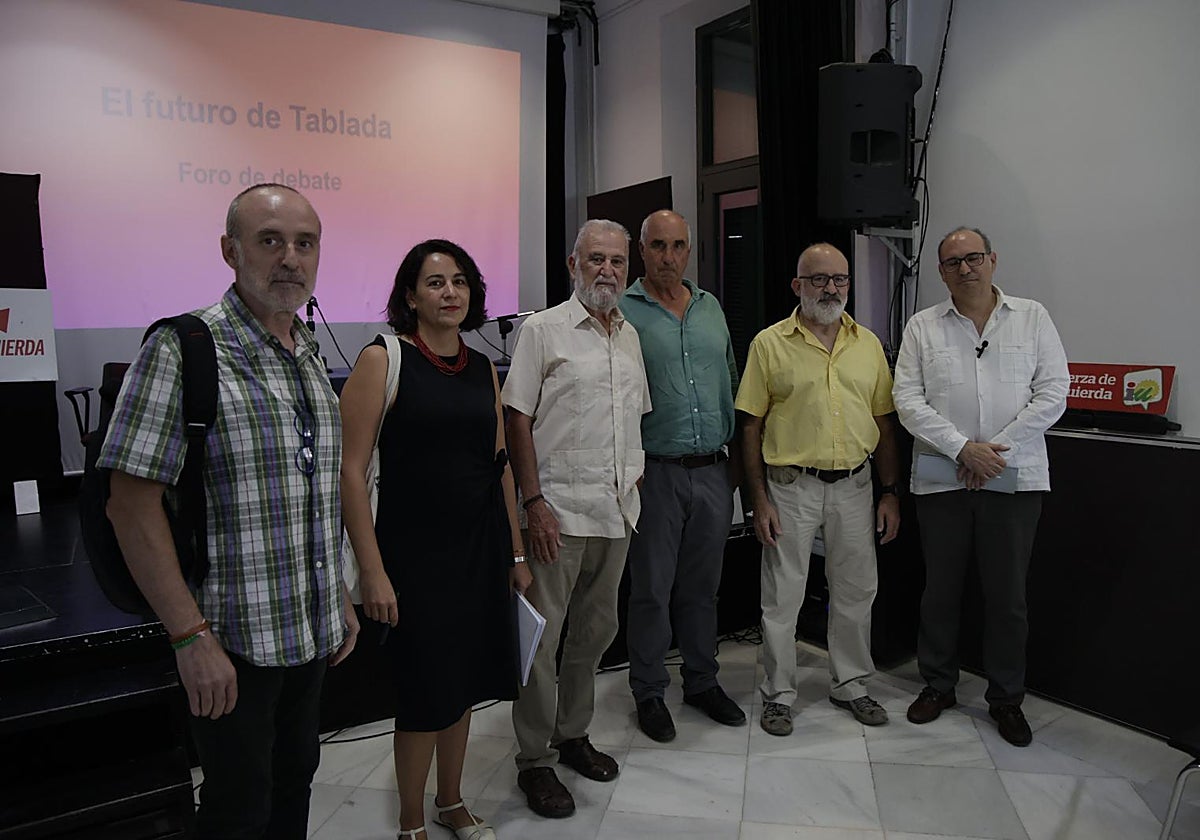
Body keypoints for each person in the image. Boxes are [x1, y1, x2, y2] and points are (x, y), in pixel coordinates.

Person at [100, 184, 359, 839]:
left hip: (308, 633)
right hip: (231, 642)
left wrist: (338, 598)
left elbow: (309, 495)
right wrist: (190, 638)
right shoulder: (183, 348)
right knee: (238, 809)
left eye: (305, 243)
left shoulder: (306, 353)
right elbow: (129, 508)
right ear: (230, 250)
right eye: (271, 241)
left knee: (295, 782)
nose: (291, 258)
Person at [339, 239, 530, 840]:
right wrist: (372, 571)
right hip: (412, 556)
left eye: (460, 282)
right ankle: (411, 823)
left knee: (464, 682)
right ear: (410, 296)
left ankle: (451, 802)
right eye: (435, 282)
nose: (450, 292)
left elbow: (499, 461)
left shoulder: (480, 367)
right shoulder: (383, 358)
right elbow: (350, 470)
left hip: (479, 548)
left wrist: (517, 551)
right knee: (425, 691)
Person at [892, 226, 1069, 747]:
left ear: (992, 260)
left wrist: (993, 452)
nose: (964, 268)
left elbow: (1054, 391)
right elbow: (907, 399)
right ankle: (938, 685)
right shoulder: (922, 327)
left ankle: (1006, 698)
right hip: (943, 479)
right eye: (952, 262)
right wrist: (961, 449)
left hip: (1015, 480)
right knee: (940, 590)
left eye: (973, 258)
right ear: (941, 271)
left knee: (1007, 596)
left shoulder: (1032, 317)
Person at [502, 219, 650, 819]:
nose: (607, 270)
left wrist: (634, 469)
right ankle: (534, 760)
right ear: (573, 265)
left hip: (616, 511)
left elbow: (632, 415)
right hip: (557, 513)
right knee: (542, 641)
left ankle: (573, 734)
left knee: (593, 634)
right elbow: (516, 419)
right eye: (596, 260)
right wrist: (532, 502)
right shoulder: (543, 330)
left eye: (617, 260)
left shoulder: (630, 336)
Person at [736, 243, 901, 737]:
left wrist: (890, 491)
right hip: (790, 488)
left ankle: (850, 684)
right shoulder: (769, 344)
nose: (831, 288)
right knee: (782, 597)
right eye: (819, 279)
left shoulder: (867, 344)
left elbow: (885, 424)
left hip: (855, 486)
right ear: (797, 286)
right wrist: (758, 498)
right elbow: (749, 427)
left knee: (856, 590)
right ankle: (778, 695)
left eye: (840, 279)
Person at [619, 209, 744, 742]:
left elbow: (731, 384)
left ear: (688, 250)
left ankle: (701, 680)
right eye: (657, 246)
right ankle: (648, 691)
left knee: (703, 589)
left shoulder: (711, 307)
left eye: (678, 246)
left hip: (713, 471)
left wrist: (736, 467)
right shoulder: (622, 312)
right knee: (650, 590)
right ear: (641, 251)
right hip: (656, 474)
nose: (668, 256)